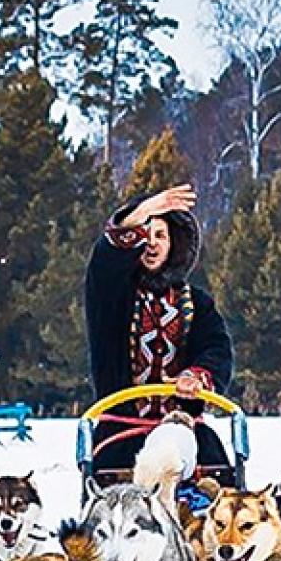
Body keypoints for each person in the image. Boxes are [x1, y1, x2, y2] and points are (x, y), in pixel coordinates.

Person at [83, 182, 236, 484]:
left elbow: (216, 347)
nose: (152, 244)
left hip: (185, 428)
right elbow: (105, 261)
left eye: (160, 236)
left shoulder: (198, 303)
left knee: (220, 479)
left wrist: (197, 376)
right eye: (145, 236)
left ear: (174, 244)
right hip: (121, 428)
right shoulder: (111, 295)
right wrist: (142, 213)